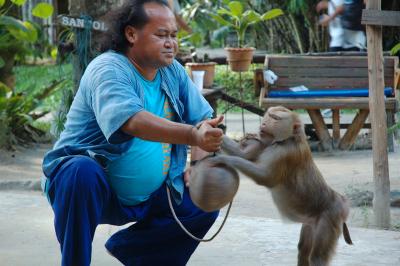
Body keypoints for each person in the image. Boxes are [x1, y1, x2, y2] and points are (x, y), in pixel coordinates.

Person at [41, 0, 224, 265]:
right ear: (131, 34)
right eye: (161, 35)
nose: (171, 42)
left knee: (204, 200)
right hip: (94, 192)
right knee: (79, 172)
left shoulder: (172, 71)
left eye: (174, 35)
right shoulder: (108, 69)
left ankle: (134, 253)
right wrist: (192, 136)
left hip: (152, 194)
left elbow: (204, 119)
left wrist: (198, 162)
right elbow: (132, 121)